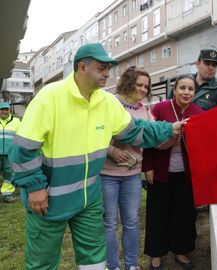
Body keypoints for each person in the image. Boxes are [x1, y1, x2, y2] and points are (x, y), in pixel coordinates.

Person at [8, 43, 186, 270]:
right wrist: (34, 187)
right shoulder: (49, 97)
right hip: (49, 199)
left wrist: (168, 129)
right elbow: (23, 148)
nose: (107, 74)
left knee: (94, 259)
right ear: (82, 67)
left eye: (108, 69)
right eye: (102, 68)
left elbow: (134, 130)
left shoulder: (107, 101)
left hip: (89, 199)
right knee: (41, 263)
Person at [143, 74, 204, 270]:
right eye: (182, 88)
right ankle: (156, 254)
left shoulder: (199, 113)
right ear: (174, 90)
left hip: (185, 174)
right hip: (161, 170)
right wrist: (148, 167)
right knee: (157, 212)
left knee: (184, 214)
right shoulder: (160, 109)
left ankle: (181, 250)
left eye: (190, 89)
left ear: (195, 92)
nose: (186, 92)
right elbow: (149, 139)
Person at [100, 66, 154, 270]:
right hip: (107, 174)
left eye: (145, 87)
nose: (142, 89)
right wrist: (112, 151)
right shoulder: (110, 103)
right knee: (110, 224)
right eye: (139, 84)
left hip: (132, 175)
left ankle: (131, 265)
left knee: (131, 222)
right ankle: (113, 266)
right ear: (128, 82)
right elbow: (94, 134)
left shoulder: (144, 108)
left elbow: (152, 134)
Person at [0, 102, 20, 203]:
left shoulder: (16, 121)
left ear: (9, 110)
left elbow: (20, 137)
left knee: (9, 175)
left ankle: (7, 195)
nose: (4, 111)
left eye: (6, 109)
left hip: (10, 154)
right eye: (2, 109)